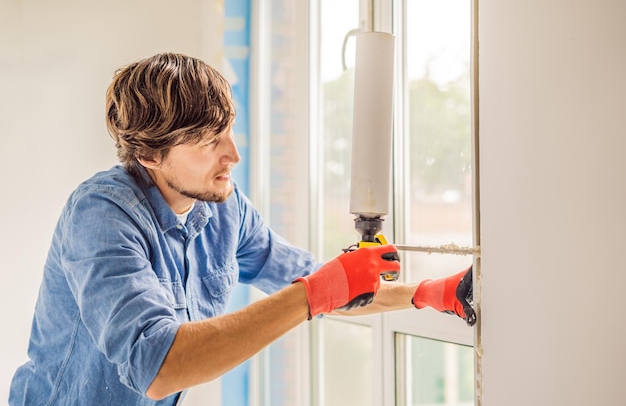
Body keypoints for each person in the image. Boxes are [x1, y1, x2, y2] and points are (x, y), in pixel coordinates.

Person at [9, 52, 474, 406]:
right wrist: (316, 293)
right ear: (150, 155)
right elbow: (159, 368)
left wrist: (427, 293)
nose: (233, 154)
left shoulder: (224, 208)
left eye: (229, 130)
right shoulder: (101, 216)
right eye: (210, 142)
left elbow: (318, 284)